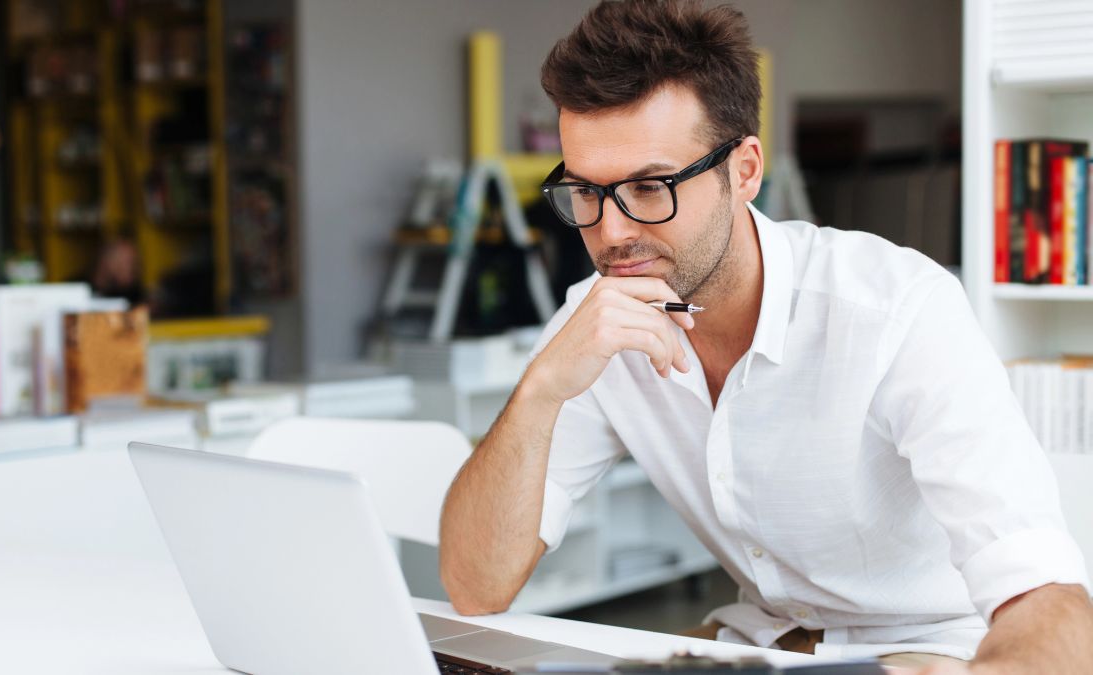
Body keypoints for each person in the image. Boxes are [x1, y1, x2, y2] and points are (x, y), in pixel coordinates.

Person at [437, 1, 1093, 672]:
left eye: (650, 185)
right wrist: (542, 387)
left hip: (934, 652)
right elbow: (474, 585)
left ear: (745, 170)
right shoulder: (596, 320)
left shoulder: (898, 311)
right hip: (755, 650)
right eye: (586, 191)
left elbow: (1050, 600)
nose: (611, 233)